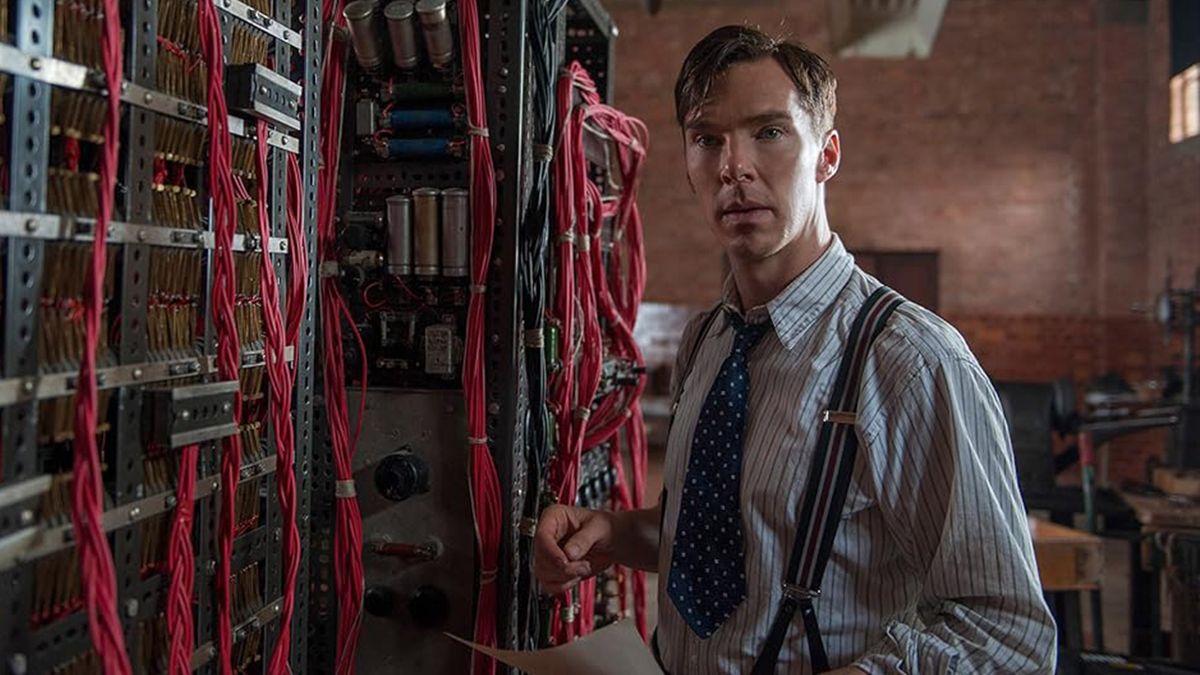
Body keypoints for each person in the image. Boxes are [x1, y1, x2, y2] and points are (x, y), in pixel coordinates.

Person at [533, 25, 1056, 674]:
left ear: (827, 153)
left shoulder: (911, 360)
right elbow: (725, 542)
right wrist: (612, 533)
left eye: (768, 132)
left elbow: (1007, 633)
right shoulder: (708, 339)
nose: (734, 167)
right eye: (707, 140)